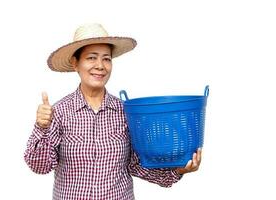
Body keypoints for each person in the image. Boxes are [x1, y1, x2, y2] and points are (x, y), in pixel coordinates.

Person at [24, 23, 202, 200]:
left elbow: (137, 165)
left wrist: (179, 170)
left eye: (106, 59)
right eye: (91, 58)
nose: (100, 66)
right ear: (75, 63)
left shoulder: (125, 112)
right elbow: (40, 167)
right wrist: (42, 127)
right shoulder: (59, 112)